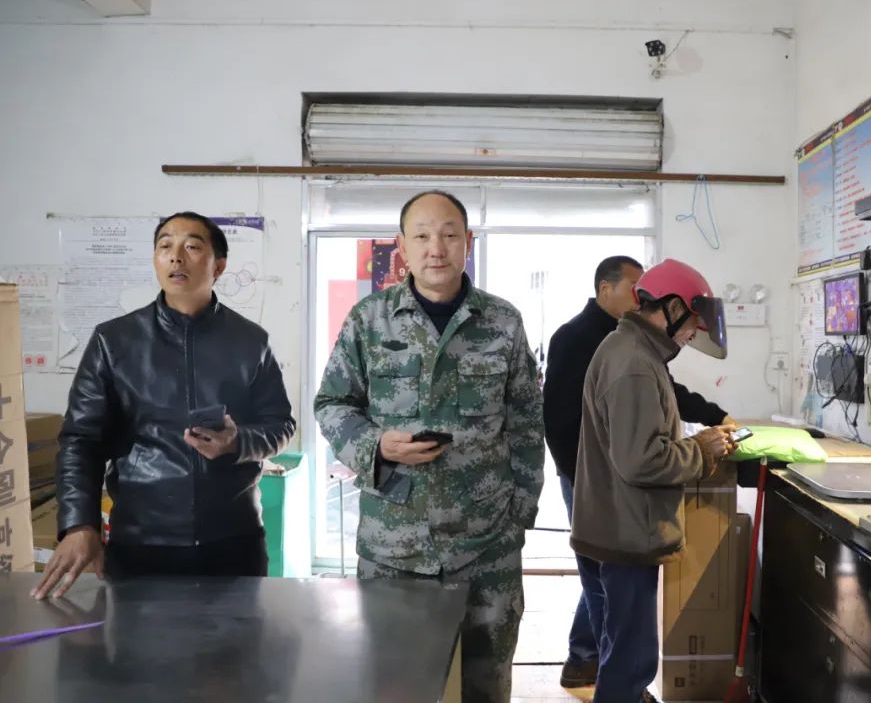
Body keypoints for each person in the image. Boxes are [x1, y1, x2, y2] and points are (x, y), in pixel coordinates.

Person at [314, 190, 544, 703]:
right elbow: (331, 403)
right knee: (396, 685)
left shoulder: (502, 322)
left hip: (487, 544)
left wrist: (519, 515)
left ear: (468, 242)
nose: (435, 248)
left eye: (448, 235)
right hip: (394, 546)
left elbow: (528, 421)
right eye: (421, 236)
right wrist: (376, 445)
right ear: (402, 246)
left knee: (486, 681)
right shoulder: (369, 320)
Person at [33, 212, 296, 600]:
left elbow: (280, 425)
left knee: (236, 640)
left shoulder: (250, 342)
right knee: (140, 641)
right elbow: (80, 441)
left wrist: (238, 442)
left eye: (192, 246)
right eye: (165, 246)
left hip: (233, 540)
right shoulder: (114, 341)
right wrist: (79, 524)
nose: (176, 256)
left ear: (219, 266)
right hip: (142, 542)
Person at [542, 255, 734, 688]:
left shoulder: (636, 351)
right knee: (632, 661)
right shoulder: (633, 362)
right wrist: (701, 451)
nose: (694, 332)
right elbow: (642, 460)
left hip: (622, 521)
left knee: (625, 651)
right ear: (671, 307)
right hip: (625, 528)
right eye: (692, 321)